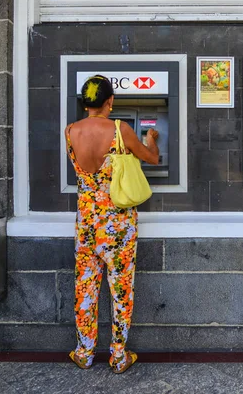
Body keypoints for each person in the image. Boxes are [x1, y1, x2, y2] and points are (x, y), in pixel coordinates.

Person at [64, 75, 159, 373]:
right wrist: (150, 141)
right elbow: (152, 159)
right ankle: (118, 356)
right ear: (110, 102)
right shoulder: (121, 130)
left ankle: (84, 351)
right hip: (118, 227)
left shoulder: (70, 131)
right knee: (120, 290)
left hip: (87, 225)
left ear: (84, 103)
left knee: (86, 288)